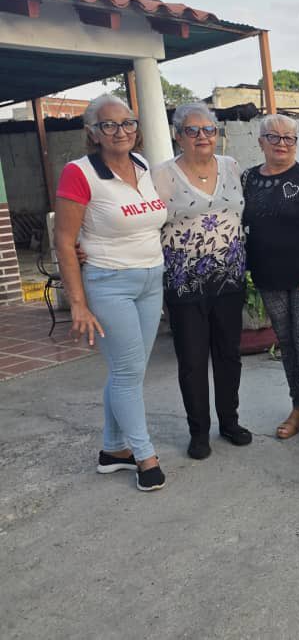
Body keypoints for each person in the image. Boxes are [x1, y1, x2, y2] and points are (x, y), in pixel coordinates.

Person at [53, 94, 168, 491]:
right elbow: (65, 241)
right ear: (93, 132)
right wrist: (79, 304)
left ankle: (112, 449)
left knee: (128, 370)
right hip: (109, 283)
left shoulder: (142, 164)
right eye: (109, 125)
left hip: (152, 279)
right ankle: (144, 456)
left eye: (128, 123)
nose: (121, 131)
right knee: (127, 371)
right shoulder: (78, 172)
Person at [153, 102, 251, 461]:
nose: (201, 137)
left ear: (217, 133)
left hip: (229, 279)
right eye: (192, 130)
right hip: (184, 283)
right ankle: (199, 432)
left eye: (208, 129)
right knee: (192, 360)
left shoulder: (231, 166)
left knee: (229, 355)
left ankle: (230, 421)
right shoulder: (162, 175)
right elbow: (146, 224)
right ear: (178, 135)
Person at [242, 115, 299, 452]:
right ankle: (297, 407)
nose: (281, 143)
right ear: (260, 141)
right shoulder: (248, 179)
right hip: (268, 277)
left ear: (296, 143)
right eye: (274, 137)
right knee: (288, 345)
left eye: (288, 138)